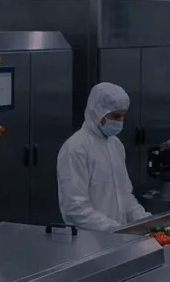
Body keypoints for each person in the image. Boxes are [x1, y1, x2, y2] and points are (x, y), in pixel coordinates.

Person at [56, 82, 150, 230]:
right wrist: (114, 229)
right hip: (89, 241)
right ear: (97, 112)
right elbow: (75, 209)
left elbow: (126, 196)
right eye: (115, 116)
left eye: (123, 116)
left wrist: (147, 222)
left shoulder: (115, 145)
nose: (119, 121)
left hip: (119, 237)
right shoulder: (75, 148)